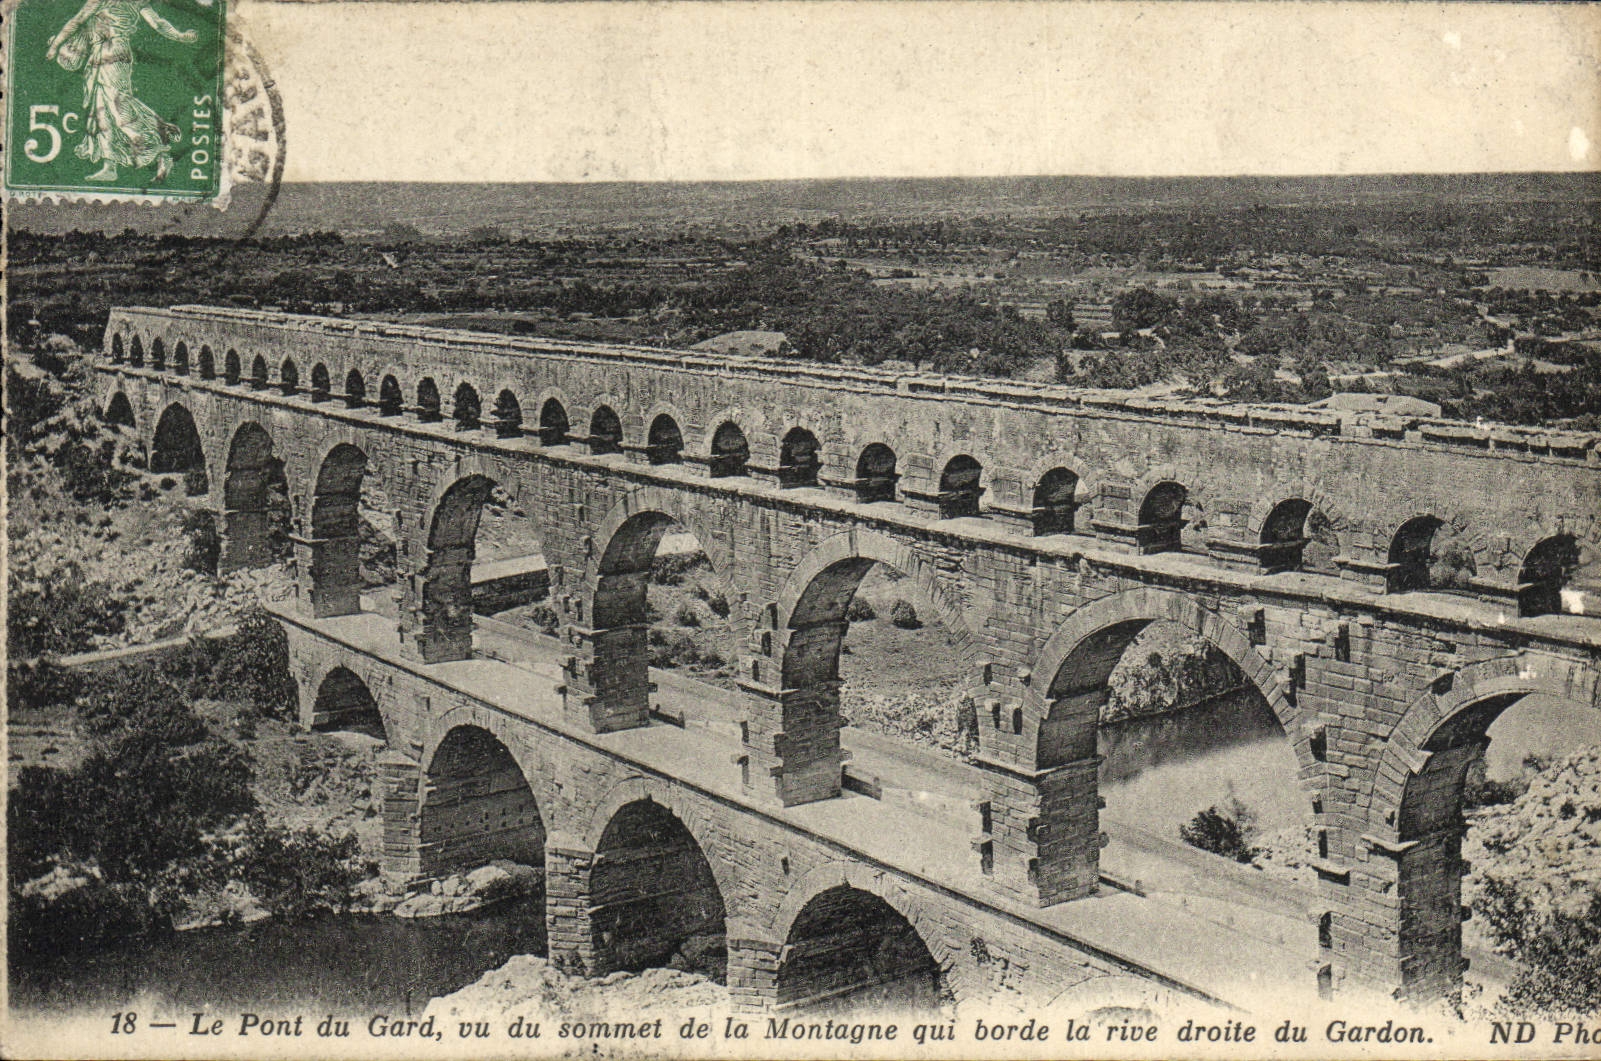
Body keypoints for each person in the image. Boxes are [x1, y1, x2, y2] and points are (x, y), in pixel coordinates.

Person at [45, 0, 197, 183]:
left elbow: (77, 20)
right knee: (101, 111)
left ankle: (159, 152)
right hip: (103, 55)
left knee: (119, 110)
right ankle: (110, 167)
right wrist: (180, 36)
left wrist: (55, 47)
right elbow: (159, 24)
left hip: (111, 55)